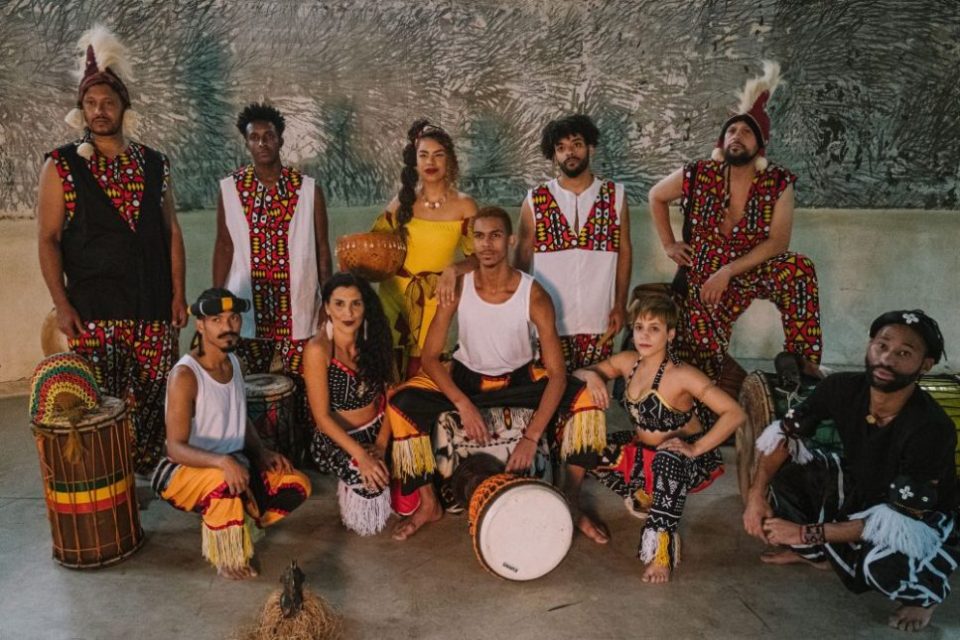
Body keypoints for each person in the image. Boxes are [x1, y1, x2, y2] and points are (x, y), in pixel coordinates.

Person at [386, 207, 607, 541]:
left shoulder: (534, 295)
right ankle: (429, 503)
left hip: (519, 380)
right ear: (471, 242)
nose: (486, 245)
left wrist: (531, 437)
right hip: (466, 379)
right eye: (479, 236)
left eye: (495, 236)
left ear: (511, 240)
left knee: (587, 400)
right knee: (401, 404)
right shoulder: (458, 286)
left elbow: (557, 374)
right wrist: (462, 403)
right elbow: (430, 358)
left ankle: (571, 500)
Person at [743, 309, 957, 632]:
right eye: (882, 345)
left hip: (918, 517)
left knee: (880, 565)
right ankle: (822, 556)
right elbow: (783, 436)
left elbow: (895, 520)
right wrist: (755, 495)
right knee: (784, 477)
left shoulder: (931, 428)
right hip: (865, 487)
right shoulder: (841, 387)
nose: (886, 359)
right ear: (870, 345)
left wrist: (803, 533)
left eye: (904, 353)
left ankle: (926, 594)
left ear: (925, 365)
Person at [37, 25, 187, 473]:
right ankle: (109, 480)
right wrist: (62, 304)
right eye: (91, 103)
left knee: (155, 398)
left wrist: (178, 295)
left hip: (152, 304)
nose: (99, 111)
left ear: (123, 107)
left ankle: (152, 476)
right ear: (81, 109)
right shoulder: (61, 165)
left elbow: (172, 232)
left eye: (108, 103)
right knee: (102, 404)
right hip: (94, 310)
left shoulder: (154, 163)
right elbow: (48, 239)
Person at [648, 61, 822, 384]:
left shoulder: (777, 182)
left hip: (749, 268)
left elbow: (778, 242)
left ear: (760, 145)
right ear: (721, 142)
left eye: (746, 132)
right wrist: (669, 244)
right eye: (731, 131)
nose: (736, 136)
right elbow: (656, 196)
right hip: (703, 275)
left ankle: (802, 365)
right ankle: (712, 377)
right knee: (701, 360)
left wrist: (728, 271)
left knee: (799, 268)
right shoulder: (699, 172)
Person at [574, 292, 745, 582]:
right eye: (639, 327)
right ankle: (635, 495)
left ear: (671, 334)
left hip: (683, 461)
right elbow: (581, 372)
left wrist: (695, 448)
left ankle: (661, 553)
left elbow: (735, 413)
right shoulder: (628, 361)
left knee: (667, 458)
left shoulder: (683, 374)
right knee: (585, 447)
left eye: (654, 328)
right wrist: (592, 377)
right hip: (643, 452)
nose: (644, 335)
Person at [153, 289, 311, 579]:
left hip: (234, 462)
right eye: (217, 319)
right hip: (182, 471)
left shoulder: (235, 362)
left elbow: (239, 416)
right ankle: (226, 554)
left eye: (234, 318)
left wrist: (261, 452)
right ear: (200, 325)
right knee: (224, 483)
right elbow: (174, 447)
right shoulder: (185, 375)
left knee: (296, 484)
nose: (228, 326)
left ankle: (241, 518)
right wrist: (223, 462)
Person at [213, 102, 332, 453]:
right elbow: (224, 245)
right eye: (255, 137)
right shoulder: (231, 188)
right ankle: (252, 452)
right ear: (246, 143)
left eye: (269, 136)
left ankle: (305, 450)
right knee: (247, 384)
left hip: (298, 304)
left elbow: (322, 249)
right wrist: (217, 300)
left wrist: (326, 300)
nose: (262, 143)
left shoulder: (307, 189)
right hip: (247, 306)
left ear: (280, 140)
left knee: (304, 384)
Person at [516, 114, 632, 372]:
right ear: (554, 155)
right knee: (552, 386)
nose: (569, 152)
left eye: (576, 144)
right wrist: (518, 309)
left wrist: (620, 303)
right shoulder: (536, 199)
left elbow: (624, 251)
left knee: (594, 388)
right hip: (549, 319)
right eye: (561, 148)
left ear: (590, 147)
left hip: (598, 316)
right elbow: (521, 257)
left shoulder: (615, 196)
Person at [372, 119, 478, 380]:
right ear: (415, 161)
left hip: (436, 297)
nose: (431, 162)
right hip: (394, 295)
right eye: (424, 155)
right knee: (391, 373)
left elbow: (479, 257)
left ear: (450, 160)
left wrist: (454, 269)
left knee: (426, 376)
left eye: (438, 155)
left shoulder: (465, 206)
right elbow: (374, 245)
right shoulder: (402, 202)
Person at [303, 273, 396, 536]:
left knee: (412, 470)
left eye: (356, 303)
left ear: (366, 305)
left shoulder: (375, 337)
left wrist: (381, 444)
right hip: (337, 438)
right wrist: (362, 456)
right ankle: (347, 482)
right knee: (372, 484)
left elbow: (392, 395)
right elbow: (322, 418)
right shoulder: (318, 350)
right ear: (327, 307)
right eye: (340, 304)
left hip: (378, 429)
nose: (348, 312)